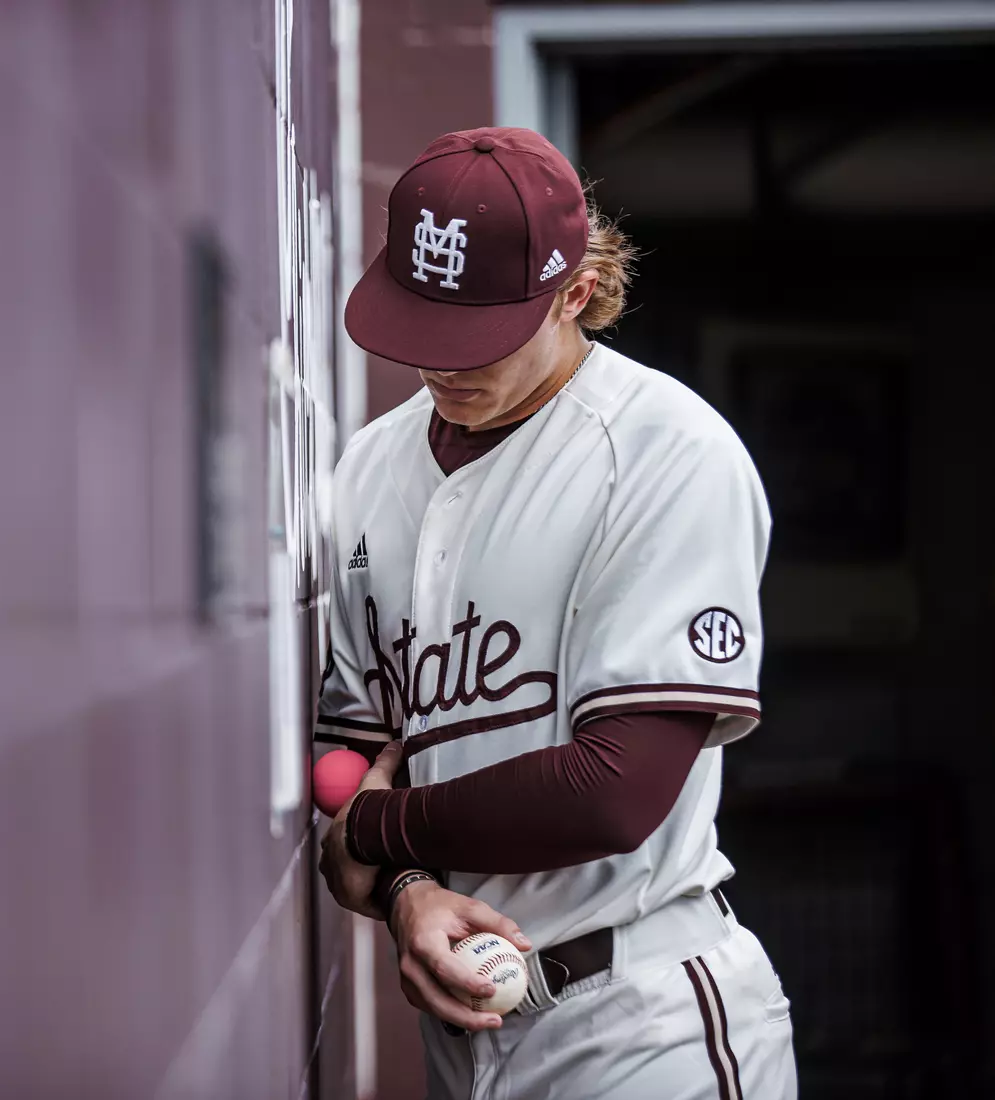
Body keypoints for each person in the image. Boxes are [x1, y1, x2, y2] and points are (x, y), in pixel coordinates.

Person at [314, 127, 796, 1099]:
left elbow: (613, 788)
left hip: (640, 1018)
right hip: (462, 1012)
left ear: (573, 294)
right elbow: (348, 744)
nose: (443, 366)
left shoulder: (667, 452)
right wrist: (409, 889)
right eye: (422, 323)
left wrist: (374, 835)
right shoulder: (369, 465)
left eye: (476, 334)